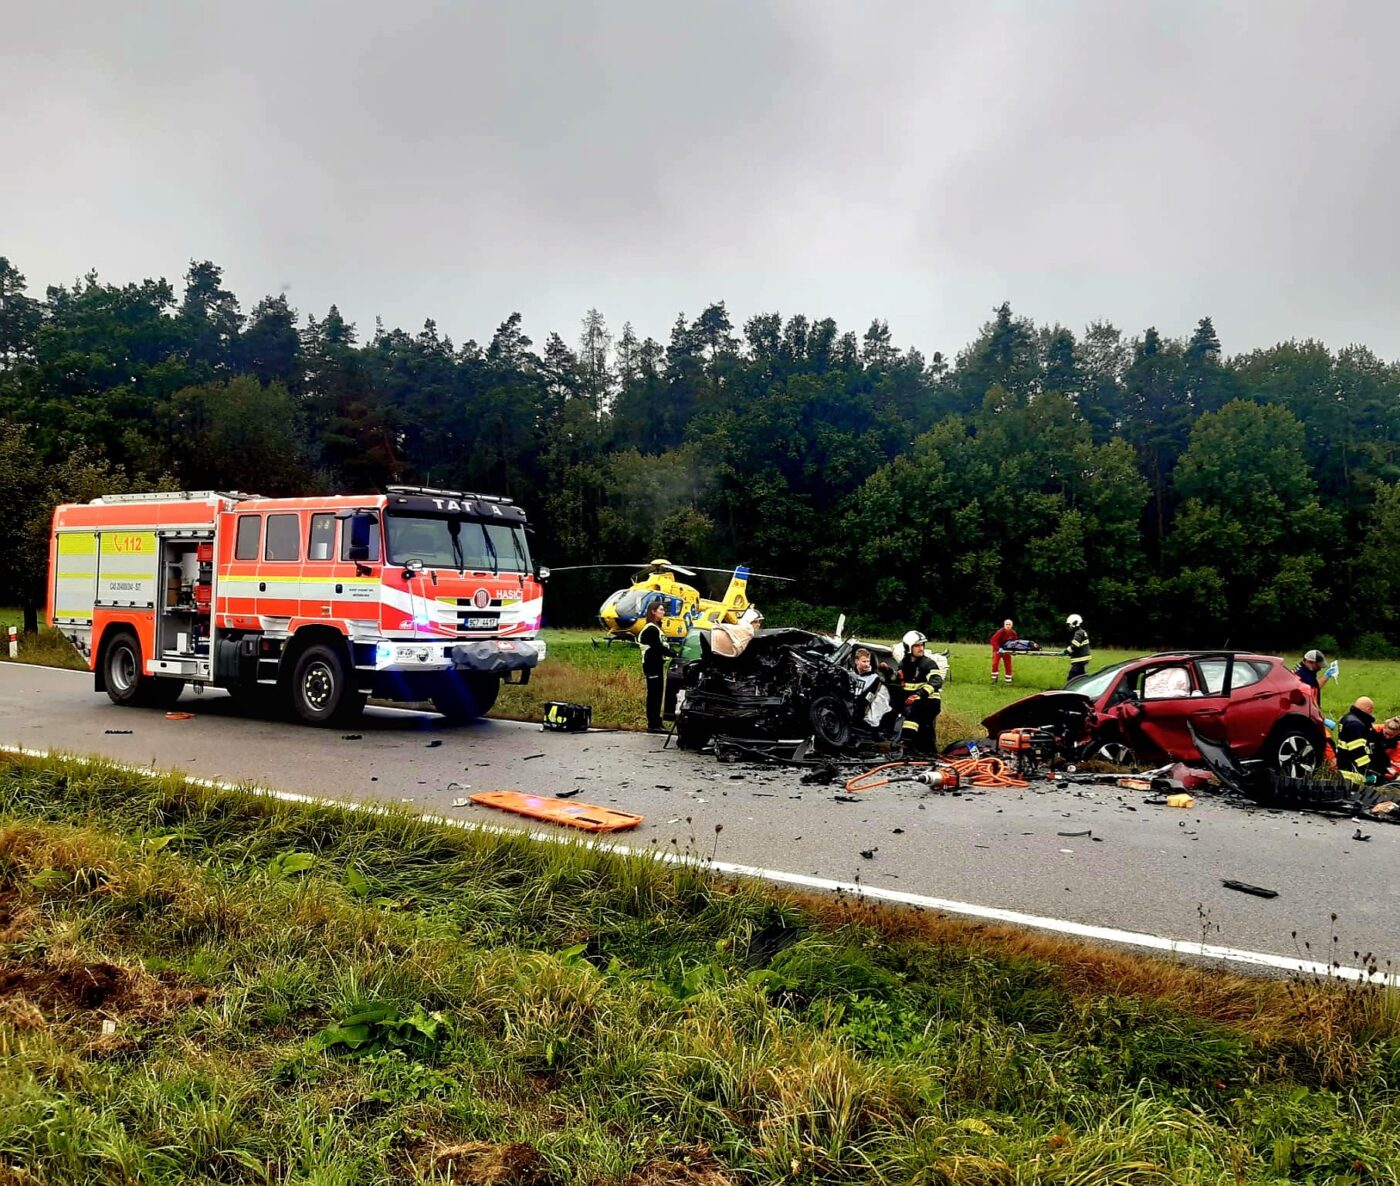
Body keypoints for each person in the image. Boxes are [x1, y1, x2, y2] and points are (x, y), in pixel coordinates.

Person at [893, 630, 943, 753]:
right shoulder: (904, 664)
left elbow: (936, 680)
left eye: (922, 645)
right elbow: (901, 683)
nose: (921, 648)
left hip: (929, 701)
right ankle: (927, 752)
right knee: (924, 731)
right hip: (913, 699)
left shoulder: (928, 663)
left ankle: (906, 742)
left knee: (913, 713)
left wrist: (919, 694)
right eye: (917, 645)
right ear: (908, 647)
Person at [637, 600, 675, 733]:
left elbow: (662, 646)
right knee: (654, 694)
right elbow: (658, 647)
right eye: (660, 610)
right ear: (653, 611)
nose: (663, 612)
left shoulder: (657, 628)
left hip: (658, 664)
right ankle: (653, 723)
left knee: (658, 693)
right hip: (651, 664)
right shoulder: (650, 629)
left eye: (664, 610)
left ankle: (656, 722)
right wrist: (673, 654)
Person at [1336, 696, 1377, 785]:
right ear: (1368, 708)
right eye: (1371, 710)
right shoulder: (1355, 724)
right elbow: (1357, 751)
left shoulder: (1348, 718)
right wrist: (1367, 771)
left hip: (1346, 769)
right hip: (1353, 774)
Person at [1061, 614, 1091, 683]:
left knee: (1072, 677)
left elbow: (1074, 645)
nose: (1069, 626)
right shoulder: (1082, 632)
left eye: (1069, 624)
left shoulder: (1078, 633)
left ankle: (1068, 691)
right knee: (1081, 678)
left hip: (1080, 660)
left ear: (1074, 623)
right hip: (1082, 660)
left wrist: (1065, 652)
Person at [989, 618, 1017, 685]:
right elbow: (993, 640)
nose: (1008, 626)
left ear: (1012, 625)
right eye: (1006, 624)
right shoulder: (1000, 632)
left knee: (1008, 665)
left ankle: (1008, 681)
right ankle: (994, 678)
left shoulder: (1013, 633)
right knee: (995, 664)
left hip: (1007, 650)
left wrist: (1014, 651)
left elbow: (1015, 643)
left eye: (1009, 624)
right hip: (998, 650)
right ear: (1004, 625)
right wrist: (998, 649)